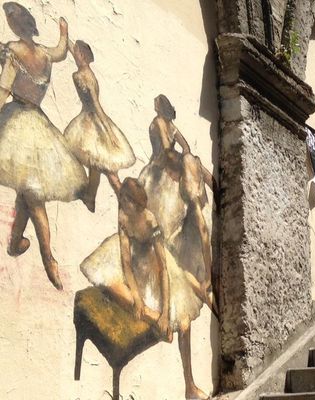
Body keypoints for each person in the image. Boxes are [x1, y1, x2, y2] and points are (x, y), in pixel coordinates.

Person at [80, 178, 213, 399]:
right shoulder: (123, 216)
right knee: (110, 284)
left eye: (127, 200)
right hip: (134, 264)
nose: (122, 204)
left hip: (156, 268)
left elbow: (163, 271)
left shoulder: (151, 223)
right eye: (121, 199)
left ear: (138, 204)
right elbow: (125, 262)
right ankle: (151, 317)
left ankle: (190, 386)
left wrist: (165, 313)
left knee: (184, 322)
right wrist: (137, 298)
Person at [0, 3, 86, 290]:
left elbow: (3, 89)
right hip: (38, 121)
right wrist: (63, 31)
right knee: (28, 189)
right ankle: (15, 242)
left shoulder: (13, 49)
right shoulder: (46, 54)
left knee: (32, 195)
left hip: (18, 122)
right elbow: (61, 51)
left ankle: (48, 258)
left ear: (16, 25)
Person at [139, 95, 217, 315]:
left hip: (160, 169)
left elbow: (166, 151)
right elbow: (184, 147)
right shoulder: (170, 126)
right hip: (172, 168)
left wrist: (181, 163)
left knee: (160, 224)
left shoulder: (159, 124)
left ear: (159, 107)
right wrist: (187, 161)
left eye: (156, 103)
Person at [64, 40, 135, 212]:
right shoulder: (84, 71)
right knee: (95, 163)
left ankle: (126, 206)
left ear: (83, 56)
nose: (75, 53)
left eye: (78, 52)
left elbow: (96, 105)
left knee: (108, 169)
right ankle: (90, 197)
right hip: (89, 121)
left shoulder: (84, 77)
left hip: (92, 123)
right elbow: (72, 47)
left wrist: (109, 131)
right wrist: (65, 35)